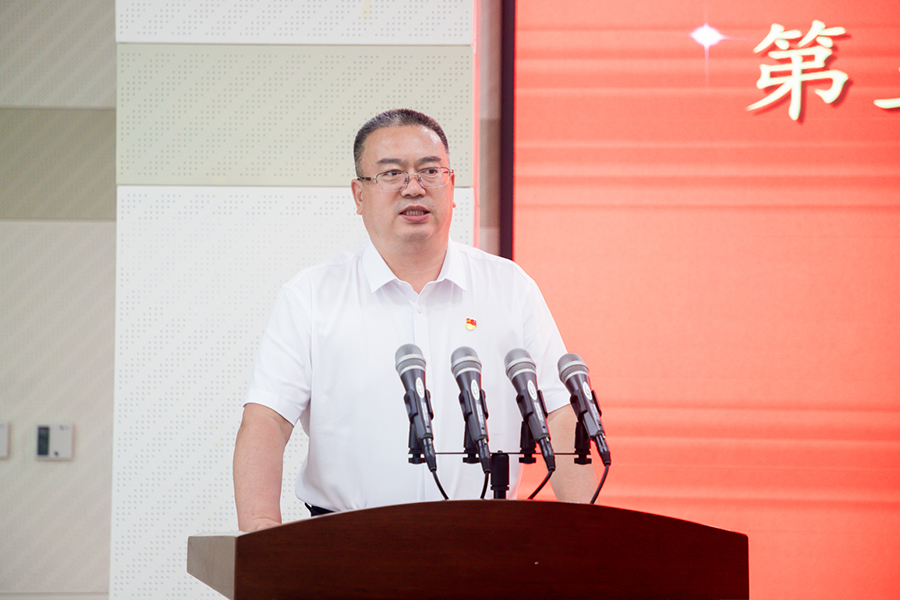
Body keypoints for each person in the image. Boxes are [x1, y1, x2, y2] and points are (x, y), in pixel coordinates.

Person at [233, 109, 597, 532]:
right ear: (359, 195)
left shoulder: (509, 287)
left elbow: (561, 412)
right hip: (346, 546)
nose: (413, 187)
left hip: (484, 542)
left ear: (452, 186)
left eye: (429, 170)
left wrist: (584, 540)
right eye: (392, 173)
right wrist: (262, 539)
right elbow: (267, 419)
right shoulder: (311, 296)